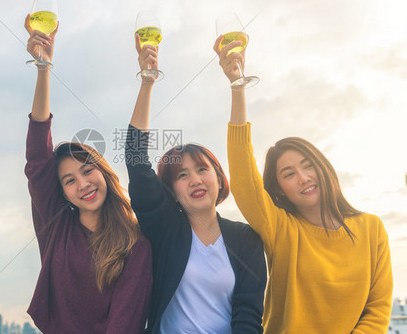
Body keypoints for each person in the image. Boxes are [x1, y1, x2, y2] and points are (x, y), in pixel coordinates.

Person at [217, 36, 393, 333]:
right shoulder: (282, 230)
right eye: (288, 174)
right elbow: (245, 179)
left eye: (308, 166)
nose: (303, 178)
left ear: (324, 169)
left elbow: (377, 310)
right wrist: (237, 87)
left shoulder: (371, 228)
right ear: (279, 190)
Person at [125, 35, 267, 334]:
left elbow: (249, 316)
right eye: (182, 175)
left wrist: (236, 85)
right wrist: (147, 81)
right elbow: (137, 159)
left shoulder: (246, 240)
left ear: (218, 177)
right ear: (172, 191)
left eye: (202, 169)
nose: (195, 180)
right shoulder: (165, 229)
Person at [23, 16, 152, 334]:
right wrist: (44, 70)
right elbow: (38, 158)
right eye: (69, 181)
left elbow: (123, 326)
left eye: (87, 170)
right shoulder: (56, 227)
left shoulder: (135, 245)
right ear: (62, 193)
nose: (82, 184)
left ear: (104, 172)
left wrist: (147, 80)